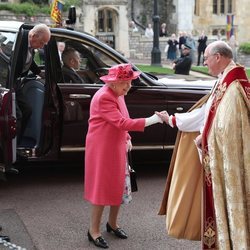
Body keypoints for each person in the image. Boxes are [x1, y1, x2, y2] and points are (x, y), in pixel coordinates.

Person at [157, 40, 250, 249]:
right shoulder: (223, 81)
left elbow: (228, 130)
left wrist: (205, 138)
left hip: (229, 165)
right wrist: (174, 120)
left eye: (207, 58)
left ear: (218, 57)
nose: (205, 62)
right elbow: (207, 114)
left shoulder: (234, 89)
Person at [84, 63, 163, 248]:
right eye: (124, 82)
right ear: (113, 83)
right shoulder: (105, 97)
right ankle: (93, 231)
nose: (129, 86)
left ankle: (112, 224)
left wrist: (127, 137)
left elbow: (121, 119)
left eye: (129, 81)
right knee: (101, 188)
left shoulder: (116, 93)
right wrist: (153, 120)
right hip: (102, 149)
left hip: (115, 145)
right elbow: (121, 121)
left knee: (118, 186)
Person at [15, 23, 51, 145]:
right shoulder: (18, 41)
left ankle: (18, 143)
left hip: (16, 83)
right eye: (41, 43)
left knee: (27, 111)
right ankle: (11, 147)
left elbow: (28, 61)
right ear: (34, 36)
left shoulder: (31, 45)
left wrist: (40, 73)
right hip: (8, 83)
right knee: (18, 116)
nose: (41, 47)